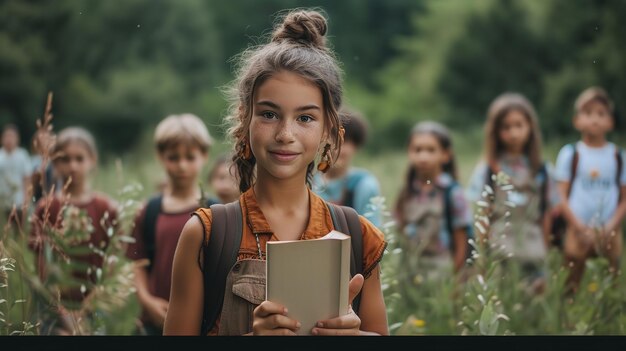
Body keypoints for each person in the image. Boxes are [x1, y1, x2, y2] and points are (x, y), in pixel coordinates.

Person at [164, 9, 389, 336]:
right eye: (269, 114)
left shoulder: (357, 235)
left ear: (329, 130)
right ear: (245, 121)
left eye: (305, 118)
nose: (285, 133)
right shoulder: (207, 234)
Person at [126, 113, 213, 335]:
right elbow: (137, 263)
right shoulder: (150, 210)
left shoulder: (216, 211)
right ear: (160, 157)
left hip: (202, 321)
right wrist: (147, 301)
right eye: (173, 158)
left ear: (204, 155)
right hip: (153, 321)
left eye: (190, 157)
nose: (181, 166)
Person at [466, 92, 559, 292]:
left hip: (534, 251)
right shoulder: (487, 169)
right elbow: (483, 214)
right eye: (506, 127)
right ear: (495, 131)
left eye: (519, 126)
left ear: (530, 128)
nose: (514, 133)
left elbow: (547, 213)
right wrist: (482, 255)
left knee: (534, 304)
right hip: (500, 251)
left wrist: (547, 248)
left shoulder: (542, 170)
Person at [29, 126, 118, 335]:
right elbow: (41, 267)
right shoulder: (46, 207)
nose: (73, 166)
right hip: (53, 309)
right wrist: (64, 313)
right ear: (54, 162)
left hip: (94, 306)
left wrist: (87, 308)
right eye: (65, 159)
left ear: (93, 160)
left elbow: (111, 263)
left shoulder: (106, 207)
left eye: (80, 159)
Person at [554, 86, 625, 293]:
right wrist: (579, 228)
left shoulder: (618, 156)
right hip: (577, 231)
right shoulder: (570, 154)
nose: (594, 119)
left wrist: (610, 227)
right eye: (588, 113)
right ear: (577, 120)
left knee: (610, 284)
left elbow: (624, 198)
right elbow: (561, 195)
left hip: (610, 232)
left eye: (601, 114)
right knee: (571, 281)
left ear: (610, 122)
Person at [394, 121, 472, 285]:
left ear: (445, 155)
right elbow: (400, 232)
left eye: (431, 150)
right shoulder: (406, 192)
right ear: (409, 152)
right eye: (417, 150)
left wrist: (456, 281)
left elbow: (461, 242)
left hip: (443, 274)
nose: (423, 156)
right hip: (412, 275)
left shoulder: (452, 192)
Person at [312, 107, 382, 227]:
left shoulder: (364, 185)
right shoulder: (309, 183)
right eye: (333, 139)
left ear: (356, 146)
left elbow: (372, 234)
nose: (337, 149)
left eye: (345, 142)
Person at [0, 124, 32, 229]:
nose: (9, 140)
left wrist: (26, 200)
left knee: (19, 229)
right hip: (2, 202)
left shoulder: (22, 155)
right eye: (6, 136)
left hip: (18, 201)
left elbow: (27, 178)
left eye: (12, 136)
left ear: (17, 139)